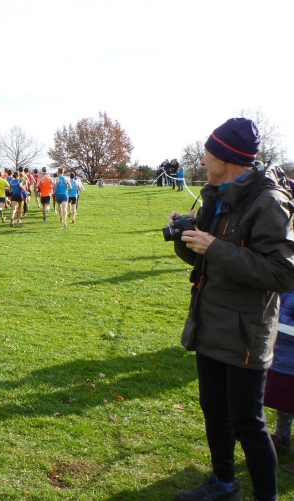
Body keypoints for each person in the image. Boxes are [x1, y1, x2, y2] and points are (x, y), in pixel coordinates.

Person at [170, 118, 294, 501]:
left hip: (245, 335)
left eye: (208, 152)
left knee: (247, 423)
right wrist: (186, 238)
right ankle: (224, 484)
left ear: (225, 158)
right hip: (209, 324)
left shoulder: (269, 202)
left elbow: (281, 273)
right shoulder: (216, 195)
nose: (202, 158)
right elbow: (205, 262)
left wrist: (215, 247)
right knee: (214, 412)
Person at [265, 288, 294, 474]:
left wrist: (276, 320)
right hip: (281, 358)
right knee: (283, 402)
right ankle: (283, 437)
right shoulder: (287, 287)